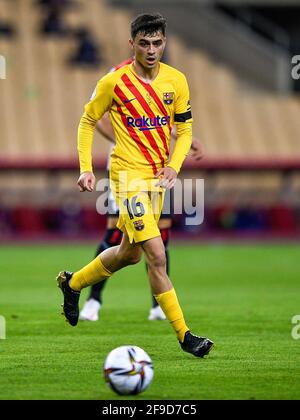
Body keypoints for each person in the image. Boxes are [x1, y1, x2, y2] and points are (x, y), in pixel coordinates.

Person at [57, 13, 214, 358]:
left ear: (165, 43)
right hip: (126, 178)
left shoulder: (176, 81)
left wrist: (174, 166)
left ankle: (73, 284)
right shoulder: (114, 81)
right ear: (132, 44)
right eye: (144, 43)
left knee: (129, 253)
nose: (152, 49)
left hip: (157, 178)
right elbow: (87, 120)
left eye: (157, 42)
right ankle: (186, 336)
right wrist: (85, 168)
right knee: (157, 255)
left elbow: (184, 130)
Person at [79, 108, 204, 322]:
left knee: (160, 233)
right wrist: (129, 143)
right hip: (125, 169)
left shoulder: (160, 79)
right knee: (116, 234)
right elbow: (96, 118)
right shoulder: (115, 76)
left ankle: (158, 305)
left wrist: (178, 135)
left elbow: (157, 120)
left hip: (156, 168)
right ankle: (93, 299)